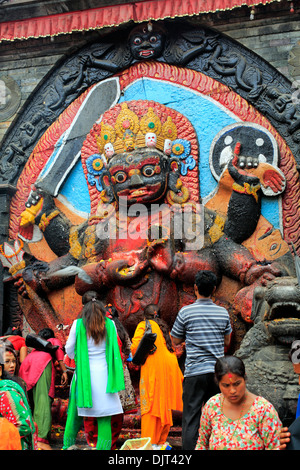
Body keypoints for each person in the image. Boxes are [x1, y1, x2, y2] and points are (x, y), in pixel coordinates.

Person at [170, 269, 232, 450]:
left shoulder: (186, 312)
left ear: (195, 288)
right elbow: (227, 341)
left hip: (194, 373)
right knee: (218, 416)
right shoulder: (223, 313)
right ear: (214, 289)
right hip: (217, 373)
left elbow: (175, 340)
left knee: (191, 419)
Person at [63, 291, 125, 450]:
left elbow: (69, 349)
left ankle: (66, 446)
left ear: (84, 308)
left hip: (84, 378)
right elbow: (115, 348)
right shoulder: (110, 324)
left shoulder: (78, 324)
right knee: (105, 419)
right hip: (105, 378)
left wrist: (78, 356)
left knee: (73, 415)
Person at [195, 356, 282, 450]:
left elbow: (275, 447)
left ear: (245, 378)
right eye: (226, 385)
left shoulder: (263, 410)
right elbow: (202, 444)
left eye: (237, 384)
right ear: (218, 382)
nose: (232, 391)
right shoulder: (212, 406)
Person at [131, 304, 183, 448]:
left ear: (144, 316)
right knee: (163, 404)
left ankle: (148, 443)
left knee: (150, 403)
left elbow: (135, 347)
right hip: (170, 367)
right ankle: (160, 441)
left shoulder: (143, 325)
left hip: (154, 367)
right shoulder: (164, 328)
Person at [19, 328, 68, 450]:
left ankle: (31, 435)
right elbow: (60, 355)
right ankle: (40, 439)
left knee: (31, 403)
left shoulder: (36, 349)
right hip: (42, 364)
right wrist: (65, 372)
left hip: (27, 366)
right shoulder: (53, 341)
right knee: (43, 401)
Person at [0, 341, 38, 450]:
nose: (12, 365)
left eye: (13, 361)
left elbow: (24, 426)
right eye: (7, 362)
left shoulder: (6, 392)